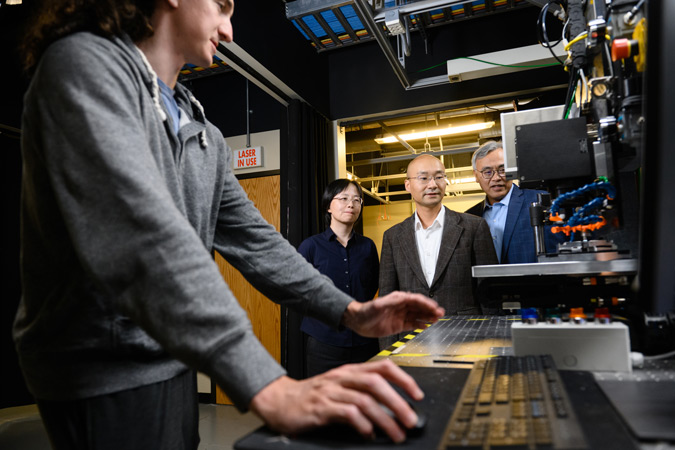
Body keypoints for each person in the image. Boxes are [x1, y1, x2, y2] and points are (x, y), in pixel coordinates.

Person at [13, 1, 445, 448]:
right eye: (222, 6)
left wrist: (347, 312)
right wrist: (268, 385)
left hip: (173, 354)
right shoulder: (81, 65)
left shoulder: (202, 131)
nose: (230, 30)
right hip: (104, 366)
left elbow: (259, 243)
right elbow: (143, 240)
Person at [379, 154, 497, 346]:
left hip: (466, 336)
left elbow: (489, 292)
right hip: (411, 339)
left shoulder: (474, 227)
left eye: (439, 177)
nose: (432, 184)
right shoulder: (393, 236)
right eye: (423, 178)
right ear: (408, 185)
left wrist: (491, 341)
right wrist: (388, 352)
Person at [299, 179, 380, 377]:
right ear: (328, 206)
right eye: (343, 198)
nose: (351, 204)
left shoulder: (368, 247)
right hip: (324, 342)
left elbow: (371, 287)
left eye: (356, 200)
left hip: (364, 342)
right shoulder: (311, 247)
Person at [465, 140, 560, 264]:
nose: (496, 178)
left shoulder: (540, 201)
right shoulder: (470, 217)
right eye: (487, 172)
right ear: (476, 176)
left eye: (502, 170)